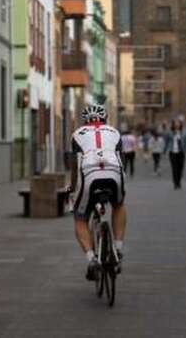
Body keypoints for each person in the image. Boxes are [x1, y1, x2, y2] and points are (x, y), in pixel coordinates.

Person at [70, 103, 126, 280]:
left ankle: (91, 259)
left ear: (85, 120)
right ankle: (117, 249)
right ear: (105, 119)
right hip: (114, 174)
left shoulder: (77, 134)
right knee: (119, 205)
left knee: (80, 218)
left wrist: (72, 188)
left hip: (89, 175)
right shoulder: (115, 132)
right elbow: (120, 159)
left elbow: (75, 167)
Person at [168, 119, 186, 189]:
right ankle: (175, 183)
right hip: (172, 152)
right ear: (173, 125)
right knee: (174, 168)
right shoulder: (170, 132)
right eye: (175, 124)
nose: (177, 125)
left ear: (180, 124)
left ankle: (179, 181)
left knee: (180, 168)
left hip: (181, 152)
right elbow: (167, 140)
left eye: (178, 123)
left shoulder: (184, 132)